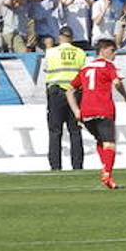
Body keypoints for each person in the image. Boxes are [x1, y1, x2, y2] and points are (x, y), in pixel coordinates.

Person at [65, 38, 126, 190]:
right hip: (103, 108)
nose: (114, 54)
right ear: (102, 51)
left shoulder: (85, 68)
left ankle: (105, 170)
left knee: (101, 141)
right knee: (109, 143)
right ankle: (107, 174)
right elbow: (116, 83)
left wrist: (76, 110)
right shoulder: (108, 65)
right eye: (112, 50)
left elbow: (69, 89)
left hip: (86, 111)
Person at [43, 26, 88, 171]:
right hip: (75, 93)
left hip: (56, 92)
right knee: (75, 130)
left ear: (60, 37)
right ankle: (77, 166)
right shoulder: (80, 53)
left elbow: (46, 69)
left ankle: (55, 166)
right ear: (72, 38)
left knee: (55, 131)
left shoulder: (51, 52)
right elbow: (84, 74)